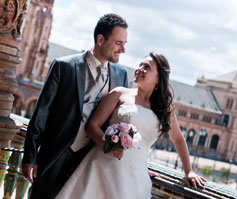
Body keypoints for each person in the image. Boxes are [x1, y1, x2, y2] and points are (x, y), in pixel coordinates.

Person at [57, 52, 206, 199]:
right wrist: (107, 144)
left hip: (136, 176)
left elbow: (178, 139)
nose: (139, 68)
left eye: (146, 67)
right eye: (140, 64)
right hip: (103, 166)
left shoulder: (165, 108)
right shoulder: (119, 93)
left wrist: (189, 171)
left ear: (158, 78)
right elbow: (93, 125)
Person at [22, 13, 128, 199]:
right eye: (118, 43)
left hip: (90, 162)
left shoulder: (121, 75)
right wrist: (31, 155)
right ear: (100, 39)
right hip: (56, 155)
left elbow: (119, 121)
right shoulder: (64, 66)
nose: (123, 50)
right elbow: (41, 113)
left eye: (125, 44)